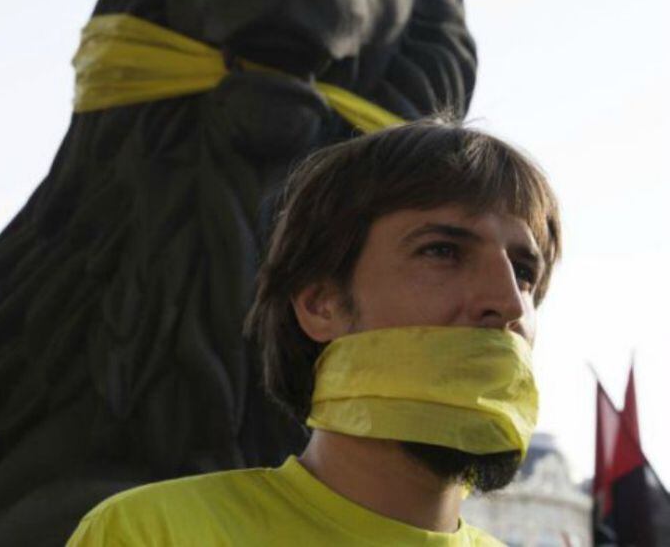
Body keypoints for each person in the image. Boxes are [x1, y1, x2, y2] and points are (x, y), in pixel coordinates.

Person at [66, 120, 561, 545]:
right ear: (321, 305)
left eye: (523, 271)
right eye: (442, 251)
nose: (509, 302)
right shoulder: (153, 533)